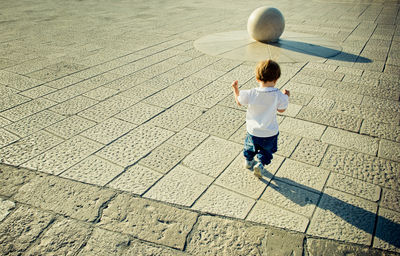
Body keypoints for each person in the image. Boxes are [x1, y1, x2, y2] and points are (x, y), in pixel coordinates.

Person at [231, 59, 290, 179]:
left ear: (257, 79)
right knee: (266, 151)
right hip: (270, 133)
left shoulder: (252, 93)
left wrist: (235, 89)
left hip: (253, 131)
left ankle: (248, 161)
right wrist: (286, 96)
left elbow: (239, 102)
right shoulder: (278, 94)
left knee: (250, 147)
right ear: (276, 79)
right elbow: (281, 109)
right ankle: (260, 164)